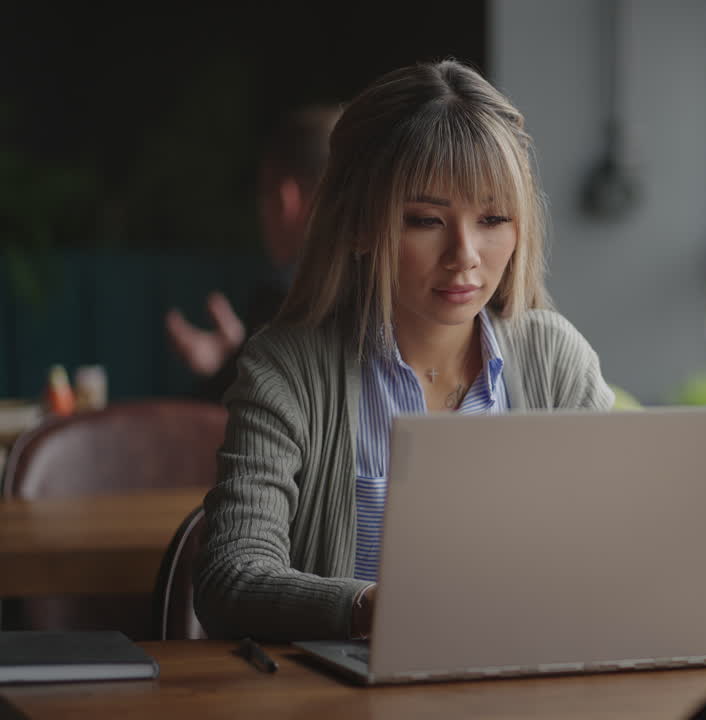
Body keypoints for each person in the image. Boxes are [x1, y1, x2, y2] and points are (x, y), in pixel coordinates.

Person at [194, 60, 615, 641]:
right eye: (426, 220)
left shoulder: (556, 359)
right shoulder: (286, 370)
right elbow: (230, 579)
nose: (464, 253)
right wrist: (375, 609)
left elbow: (614, 551)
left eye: (493, 218)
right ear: (361, 226)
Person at [164, 105, 340, 402]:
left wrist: (225, 371)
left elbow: (226, 418)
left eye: (263, 196)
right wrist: (237, 355)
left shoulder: (286, 298)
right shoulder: (391, 300)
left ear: (286, 200)